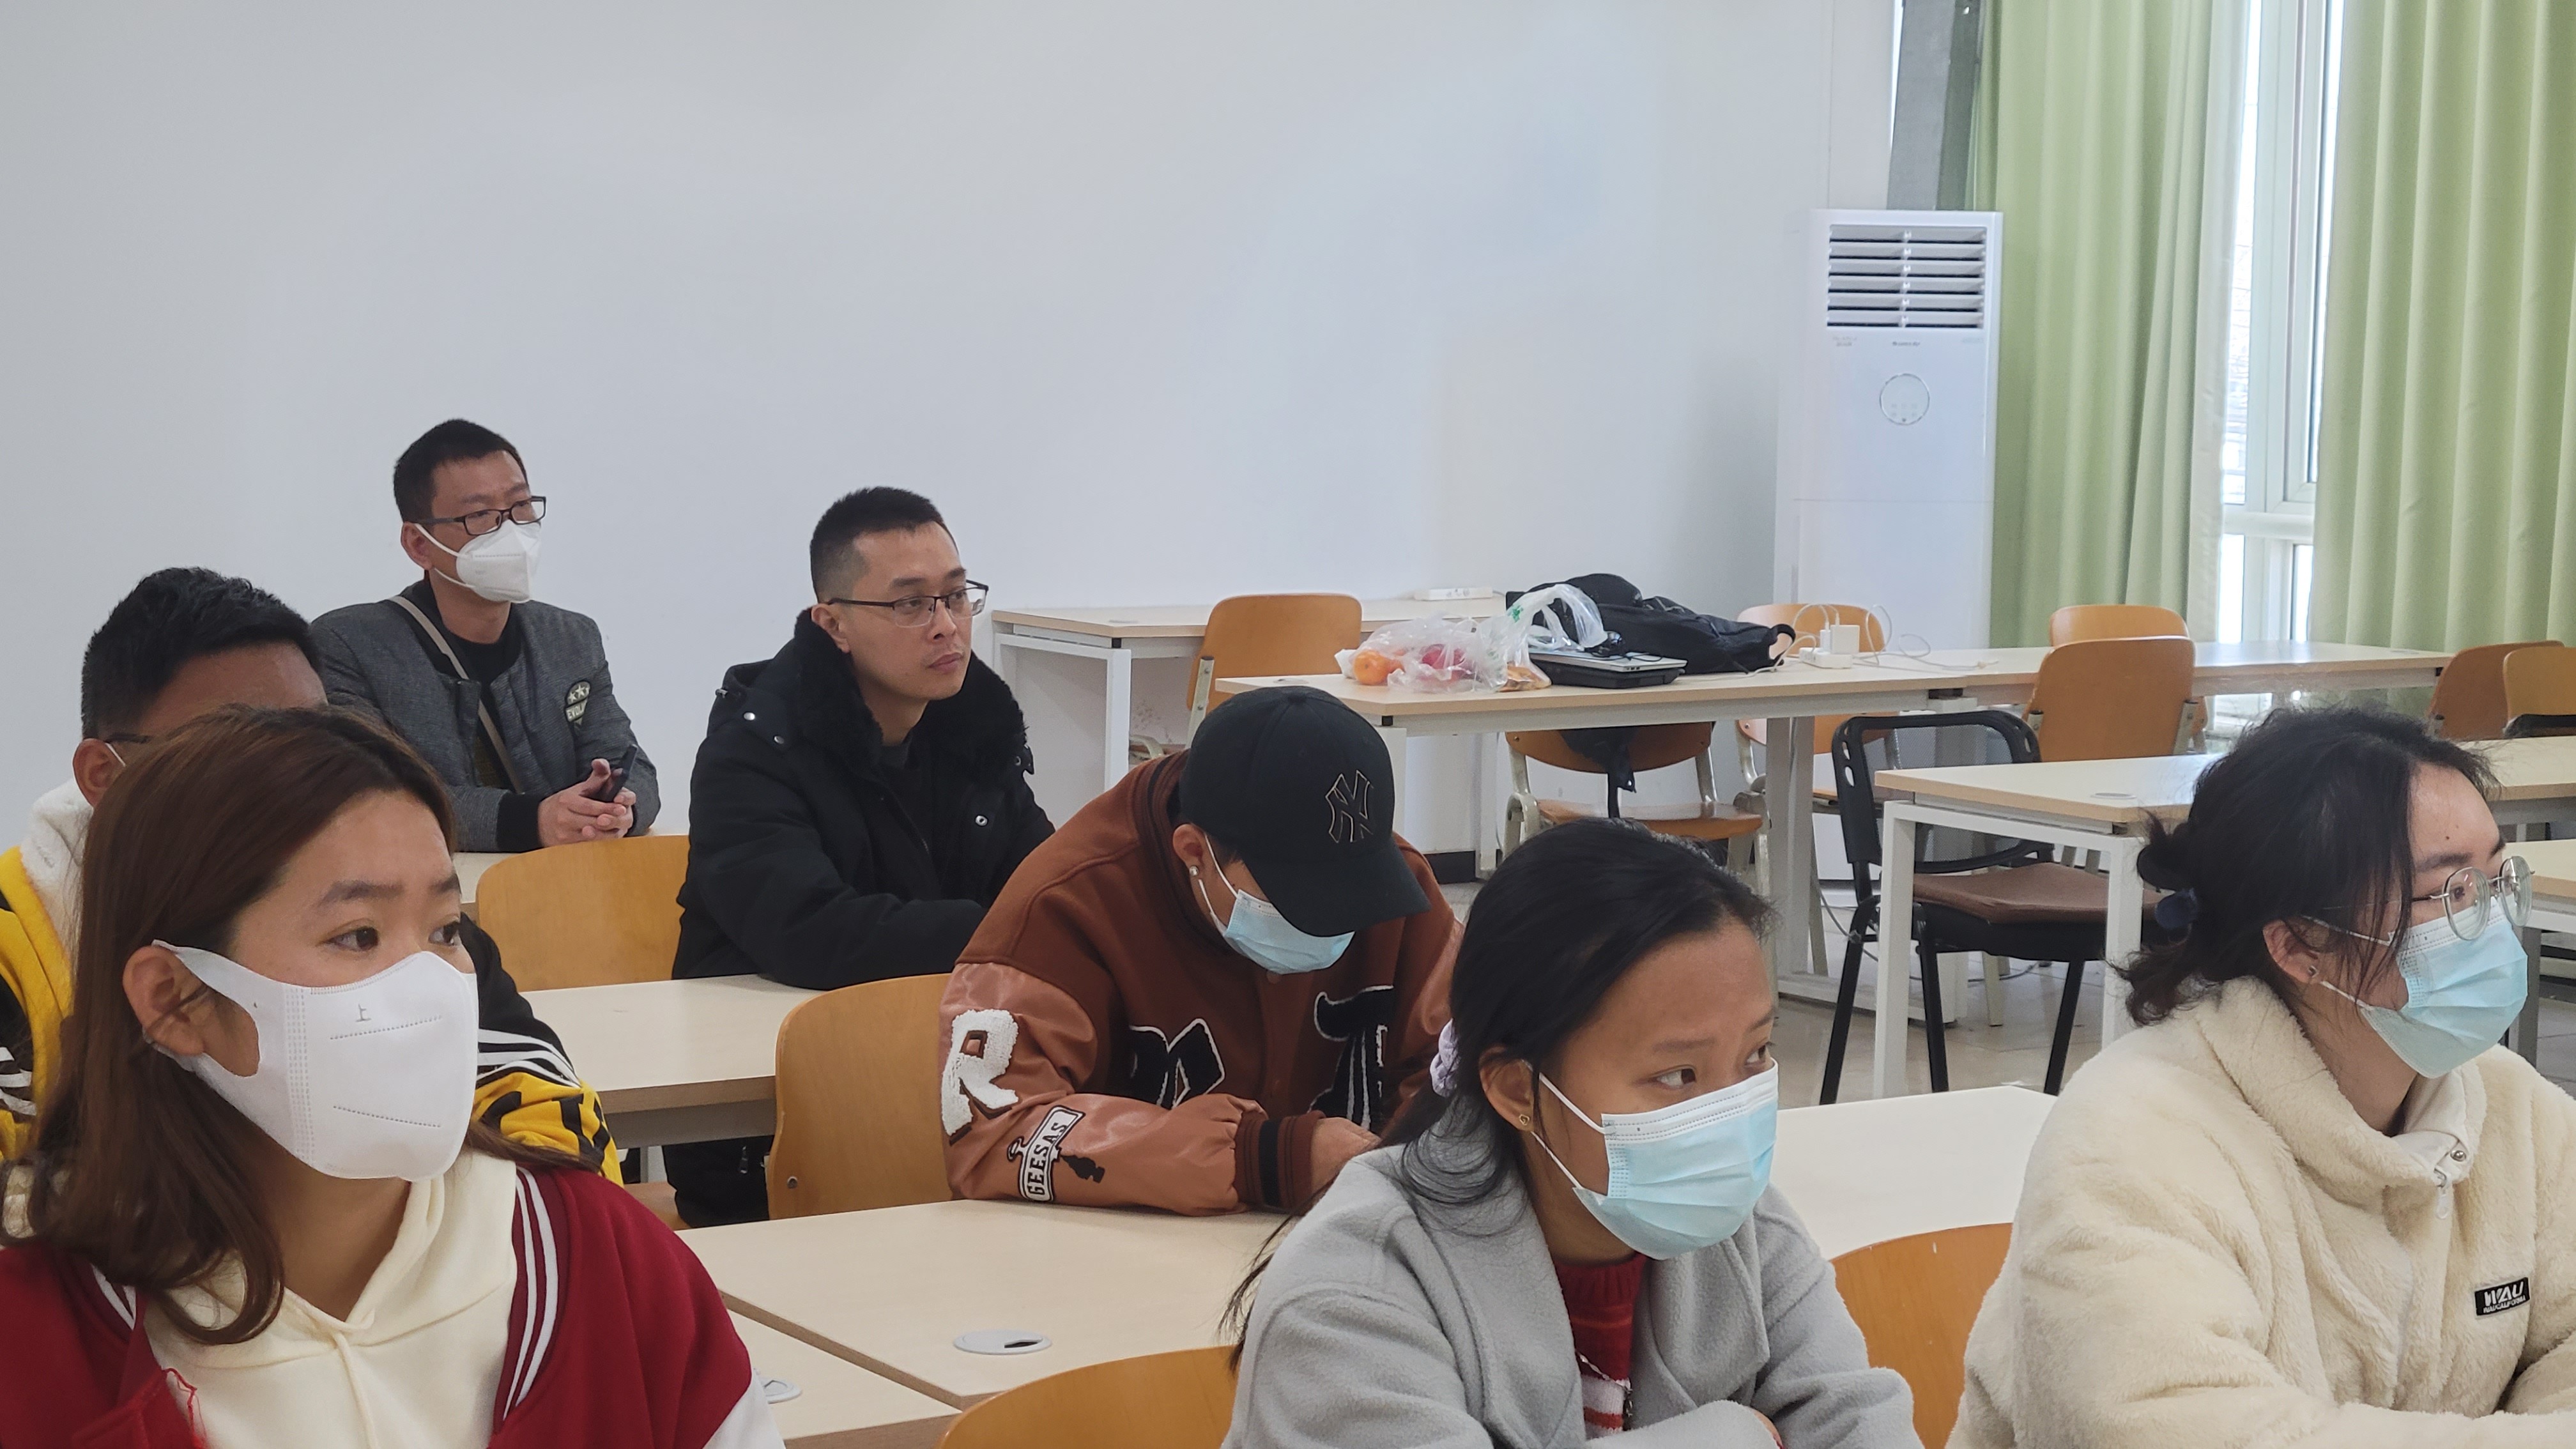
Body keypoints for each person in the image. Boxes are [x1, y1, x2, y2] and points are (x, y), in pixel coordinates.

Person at [0, 709, 779, 1446]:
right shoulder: (39, 1340)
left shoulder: (600, 1260)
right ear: (175, 999)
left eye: (445, 930)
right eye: (358, 936)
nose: (429, 985)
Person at [1954, 707, 2576, 1446]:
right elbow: (2167, 1424)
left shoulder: (2514, 1106)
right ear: (2302, 944)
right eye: (2451, 893)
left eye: (2497, 878)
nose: (2494, 922)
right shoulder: (2132, 1142)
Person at [1223, 818, 1913, 1447]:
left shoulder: (1744, 1229)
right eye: (1678, 1074)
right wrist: (1738, 1435)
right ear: (1517, 1089)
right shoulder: (1353, 1291)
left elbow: (1860, 1421)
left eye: (1756, 1053)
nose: (1727, 1111)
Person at [1, 567, 617, 1176]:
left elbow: (555, 1127)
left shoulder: (408, 923)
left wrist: (420, 1222)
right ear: (106, 776)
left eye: (322, 734)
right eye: (234, 749)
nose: (302, 778)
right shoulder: (17, 947)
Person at [666, 486, 1051, 1225]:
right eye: (910, 604)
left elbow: (1047, 883)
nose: (946, 625)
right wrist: (1003, 935)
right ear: (833, 624)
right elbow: (815, 932)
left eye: (956, 596)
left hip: (958, 1094)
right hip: (768, 1129)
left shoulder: (975, 729)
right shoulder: (753, 753)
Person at [940, 684, 1459, 1216]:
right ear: (1194, 851)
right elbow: (989, 1134)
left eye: (1355, 892)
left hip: (1338, 1241)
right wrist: (1254, 1161)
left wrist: (1401, 1166)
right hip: (1114, 1251)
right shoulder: (1063, 908)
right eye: (1299, 899)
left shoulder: (1395, 885)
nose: (1334, 920)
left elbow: (1470, 1069)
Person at [312, 418, 658, 854]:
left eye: (521, 506)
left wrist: (619, 810)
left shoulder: (572, 639)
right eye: (479, 516)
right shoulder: (348, 646)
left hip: (565, 887)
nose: (510, 530)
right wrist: (534, 822)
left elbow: (632, 765)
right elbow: (374, 797)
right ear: (419, 545)